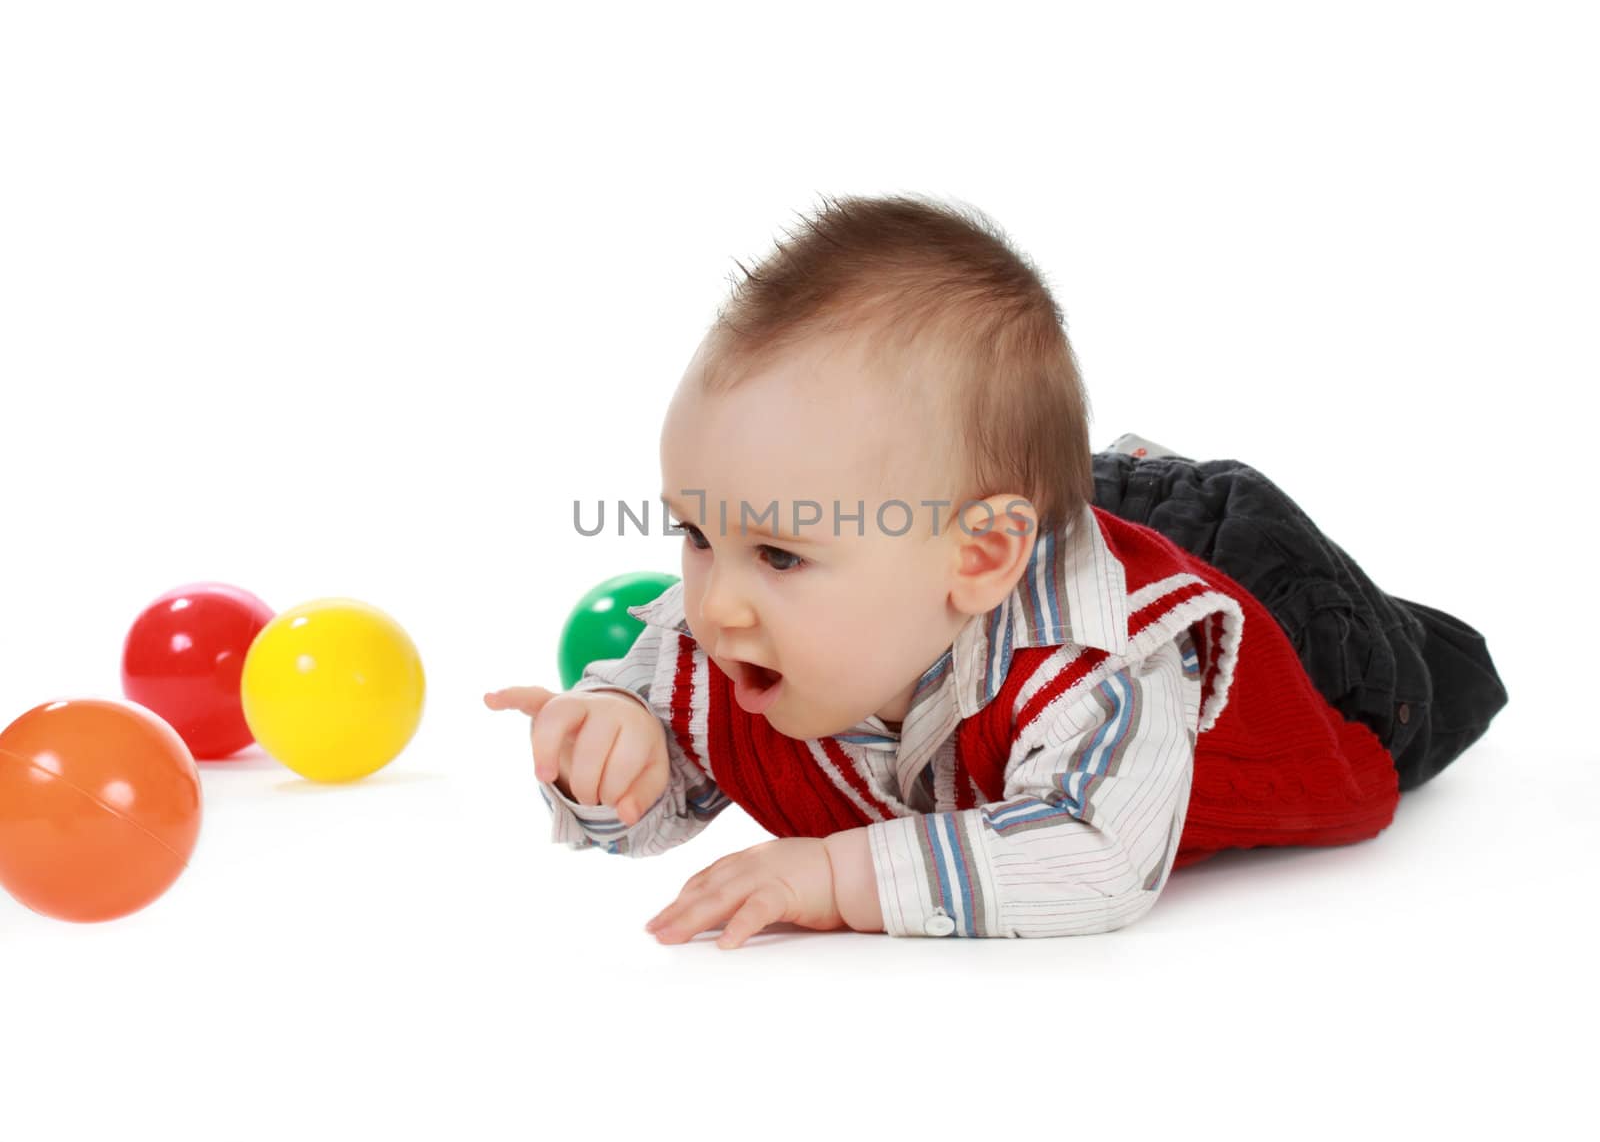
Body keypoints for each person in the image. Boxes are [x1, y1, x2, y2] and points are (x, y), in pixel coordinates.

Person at [483, 194, 1476, 946]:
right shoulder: (741, 626)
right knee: (983, 468)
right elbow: (655, 771)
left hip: (1297, 637)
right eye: (697, 534)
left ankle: (1171, 514)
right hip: (1019, 522)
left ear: (981, 558)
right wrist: (607, 753)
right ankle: (1088, 485)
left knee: (1437, 681)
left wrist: (831, 879)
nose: (715, 602)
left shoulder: (1101, 668)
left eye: (779, 551)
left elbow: (1097, 855)